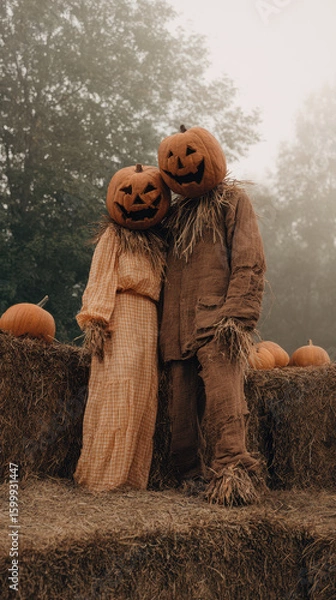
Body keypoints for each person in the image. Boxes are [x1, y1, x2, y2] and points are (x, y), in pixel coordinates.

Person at [158, 126, 266, 506]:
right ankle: (188, 474)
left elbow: (248, 259)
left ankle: (232, 472)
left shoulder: (231, 201)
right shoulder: (171, 216)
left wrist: (236, 314)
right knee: (181, 413)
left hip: (217, 320)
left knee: (225, 400)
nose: (181, 163)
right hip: (175, 325)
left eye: (189, 153)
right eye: (171, 158)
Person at [74, 164, 170, 492]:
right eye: (129, 192)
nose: (138, 199)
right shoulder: (114, 235)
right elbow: (100, 275)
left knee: (143, 395)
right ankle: (102, 478)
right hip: (121, 313)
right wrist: (97, 319)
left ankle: (130, 479)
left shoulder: (158, 242)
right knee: (118, 389)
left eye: (148, 193)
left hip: (149, 320)